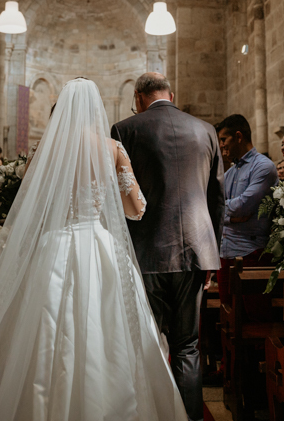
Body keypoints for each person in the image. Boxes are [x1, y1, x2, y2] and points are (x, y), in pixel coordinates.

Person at [0, 78, 187, 420]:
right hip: (99, 247)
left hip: (53, 246)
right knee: (109, 334)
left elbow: (29, 206)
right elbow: (136, 209)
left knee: (43, 330)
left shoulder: (45, 150)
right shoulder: (112, 149)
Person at [111, 72, 224, 421]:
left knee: (145, 344)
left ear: (138, 97)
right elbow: (217, 197)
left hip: (145, 253)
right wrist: (212, 255)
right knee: (187, 346)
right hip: (195, 251)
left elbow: (118, 200)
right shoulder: (206, 130)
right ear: (171, 94)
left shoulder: (125, 130)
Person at [215, 114, 277, 309]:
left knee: (255, 316)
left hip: (252, 254)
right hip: (225, 254)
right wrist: (231, 219)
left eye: (224, 140)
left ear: (239, 136)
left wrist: (222, 213)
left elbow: (244, 205)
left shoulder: (264, 167)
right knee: (227, 316)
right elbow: (212, 205)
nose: (221, 145)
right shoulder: (230, 173)